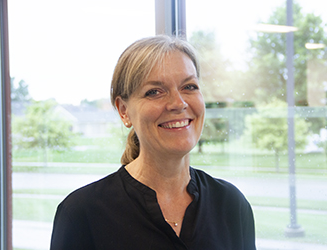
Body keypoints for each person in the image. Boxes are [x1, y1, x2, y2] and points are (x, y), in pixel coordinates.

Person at [50, 35, 256, 250]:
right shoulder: (82, 213)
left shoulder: (230, 204)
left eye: (189, 86)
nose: (178, 103)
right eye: (154, 92)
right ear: (124, 110)